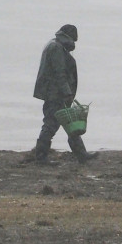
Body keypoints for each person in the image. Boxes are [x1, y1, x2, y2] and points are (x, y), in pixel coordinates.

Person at [33, 24, 98, 164]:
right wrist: (67, 92)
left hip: (55, 92)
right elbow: (59, 72)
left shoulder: (54, 45)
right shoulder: (56, 48)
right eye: (74, 41)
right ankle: (40, 157)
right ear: (69, 38)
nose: (73, 44)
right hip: (55, 94)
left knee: (70, 123)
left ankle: (81, 154)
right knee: (51, 124)